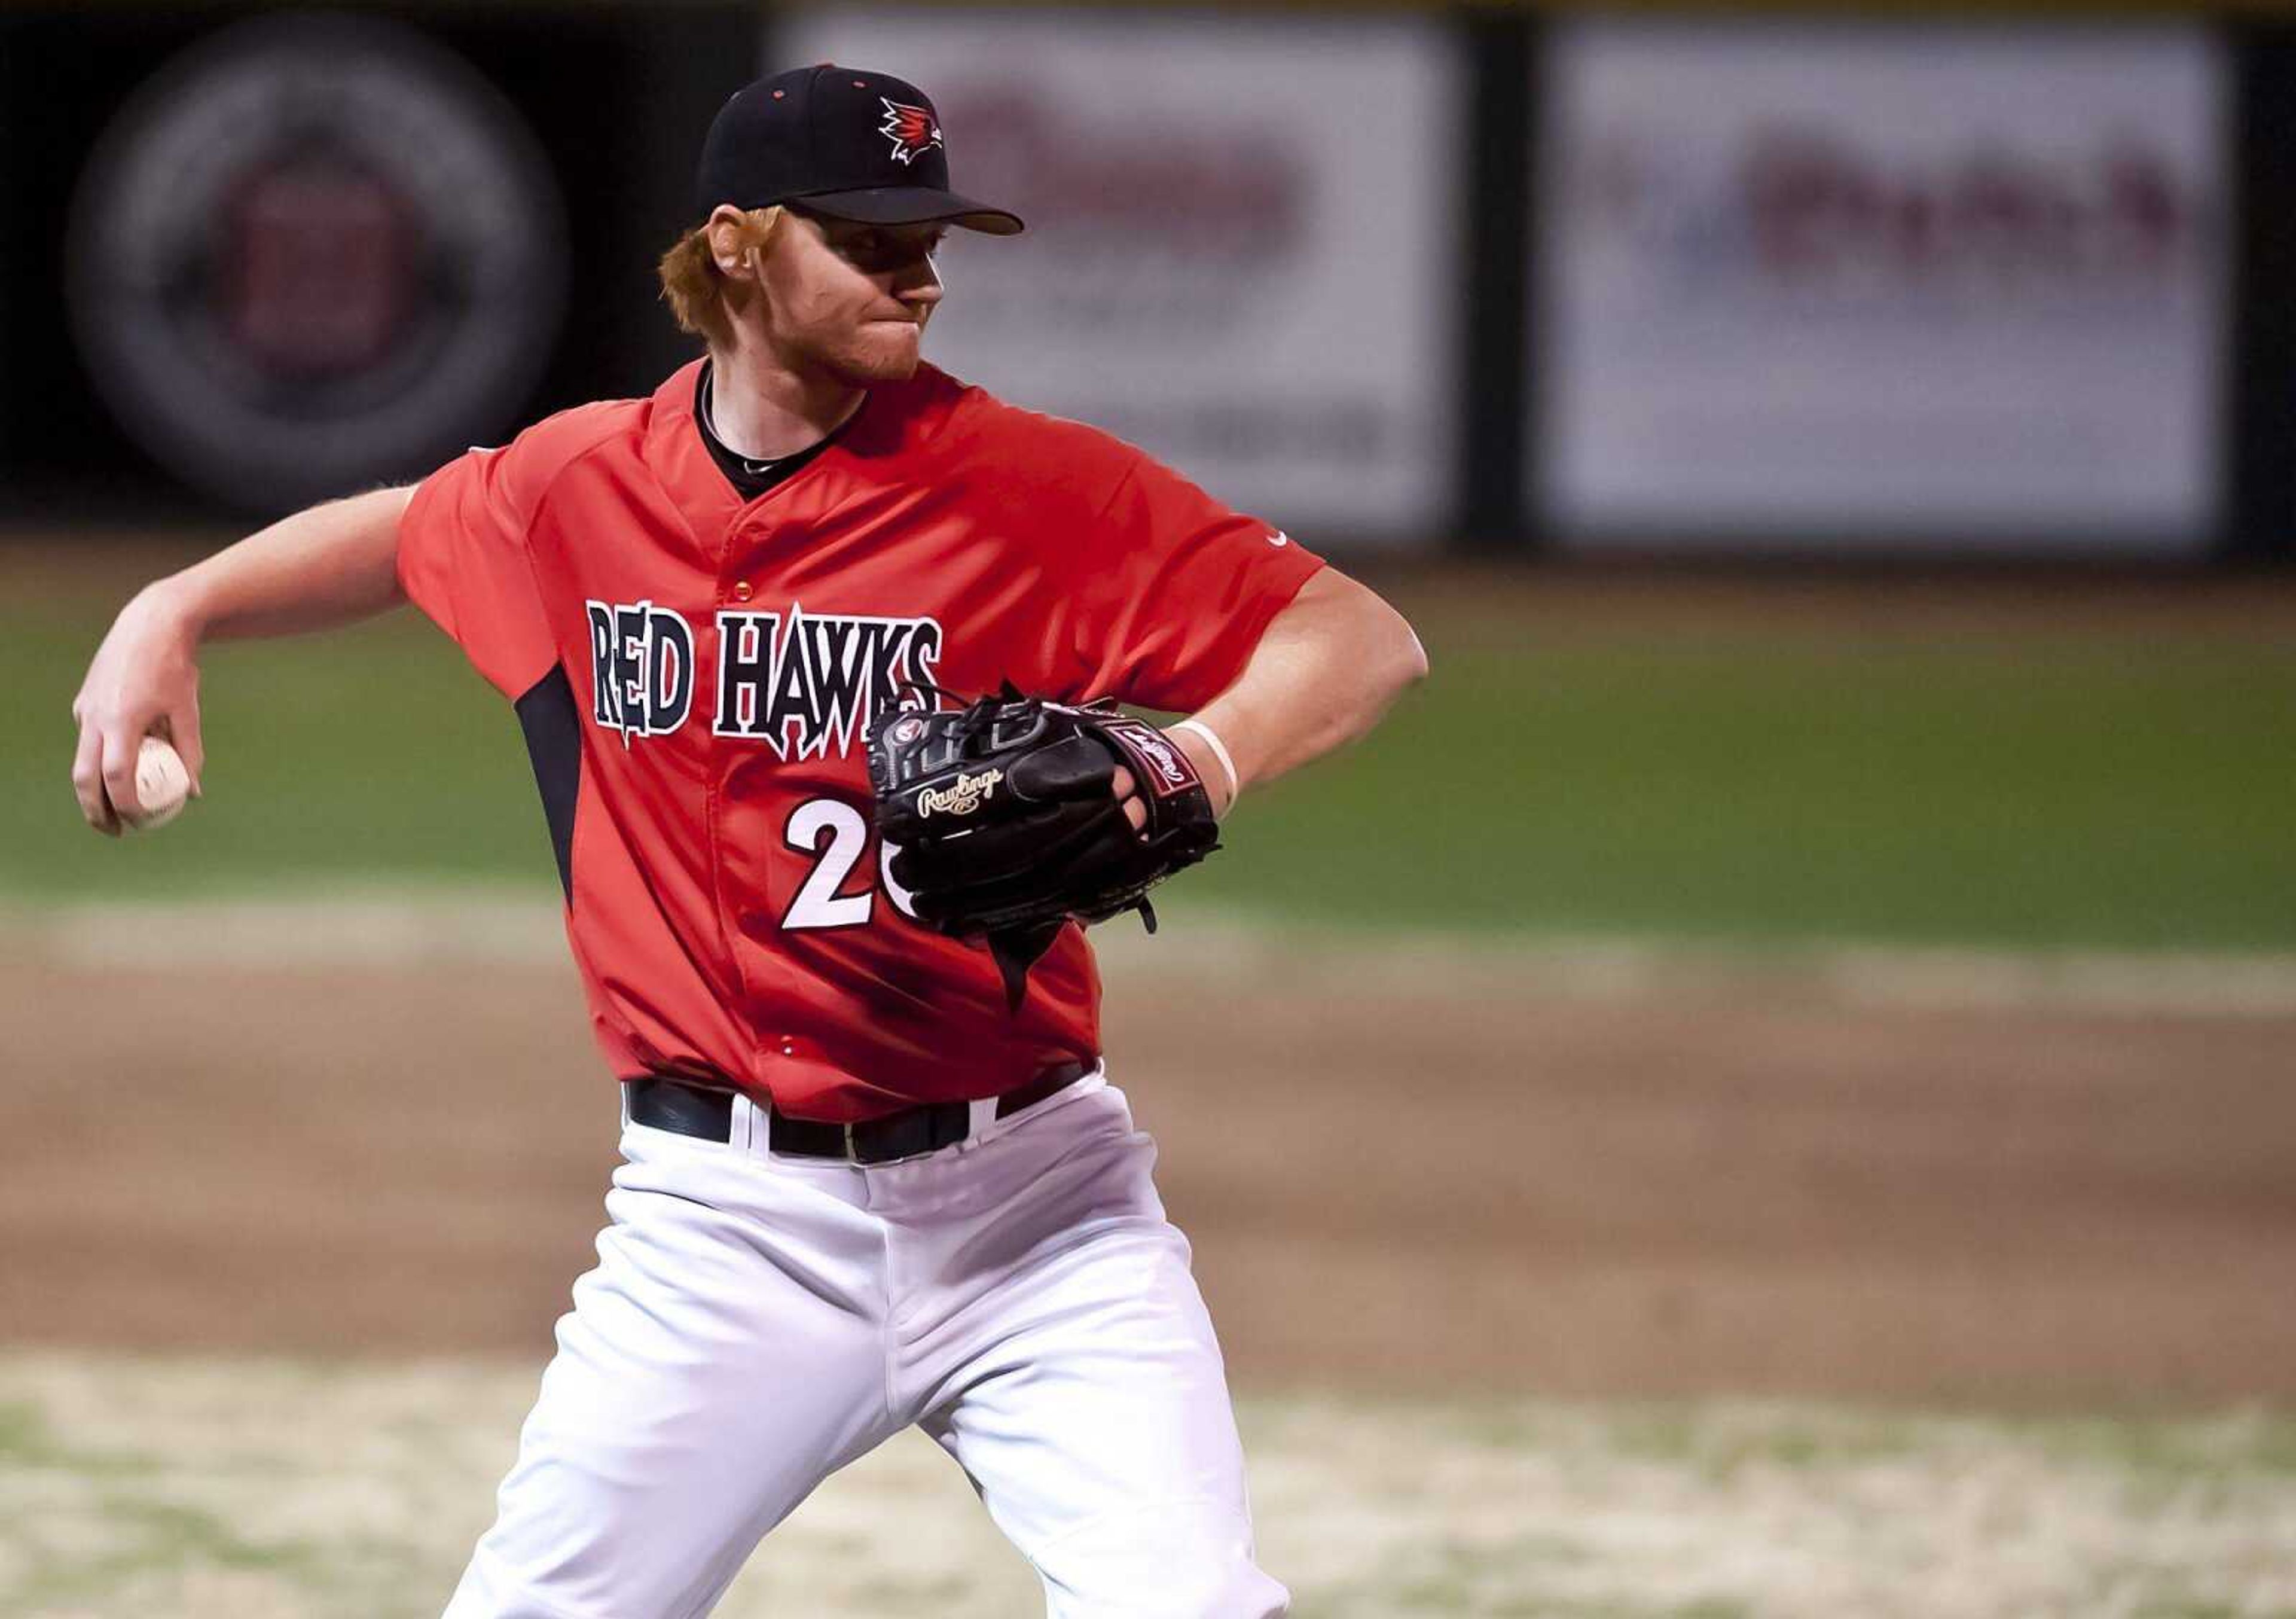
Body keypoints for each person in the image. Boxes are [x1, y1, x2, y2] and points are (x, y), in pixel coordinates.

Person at [70, 62, 1426, 1618]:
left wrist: (1200, 758)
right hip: (723, 1228)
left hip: (1041, 1208)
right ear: (735, 243)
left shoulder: (1027, 489)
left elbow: (1357, 633)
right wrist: (170, 610)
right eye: (868, 235)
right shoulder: (581, 489)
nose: (917, 270)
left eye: (933, 235)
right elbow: (402, 524)